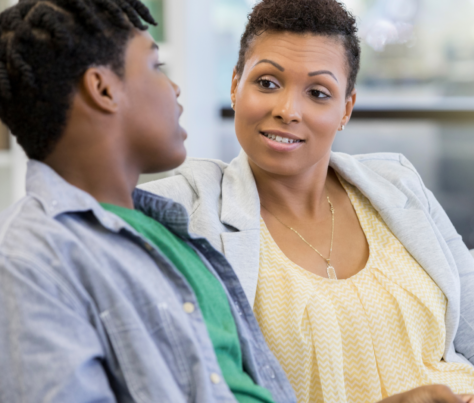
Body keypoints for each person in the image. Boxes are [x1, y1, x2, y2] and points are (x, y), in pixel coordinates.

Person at [141, 1, 474, 402]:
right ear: (236, 86)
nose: (288, 110)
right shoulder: (188, 207)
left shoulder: (397, 186)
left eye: (318, 93)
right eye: (267, 83)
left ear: (346, 109)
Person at [0, 1, 296, 402]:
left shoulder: (168, 228)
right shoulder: (30, 258)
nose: (174, 88)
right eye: (156, 67)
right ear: (103, 88)